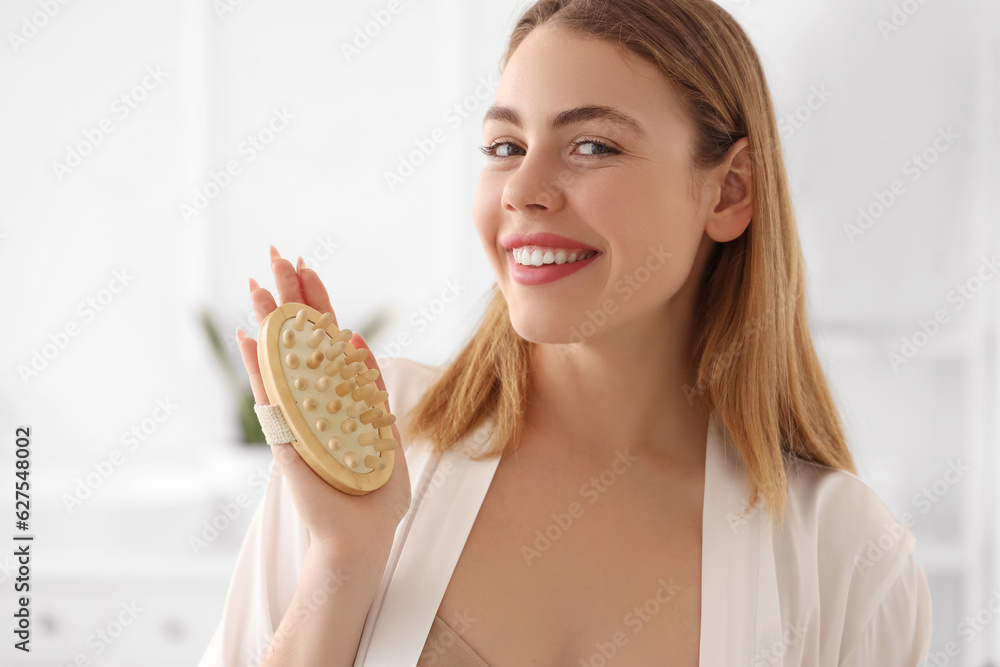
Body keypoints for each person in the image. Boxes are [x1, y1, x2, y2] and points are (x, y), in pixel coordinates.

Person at [199, 0, 932, 665]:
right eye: (505, 147)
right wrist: (343, 558)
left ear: (729, 190)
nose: (522, 190)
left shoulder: (844, 554)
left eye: (592, 146)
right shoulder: (377, 442)